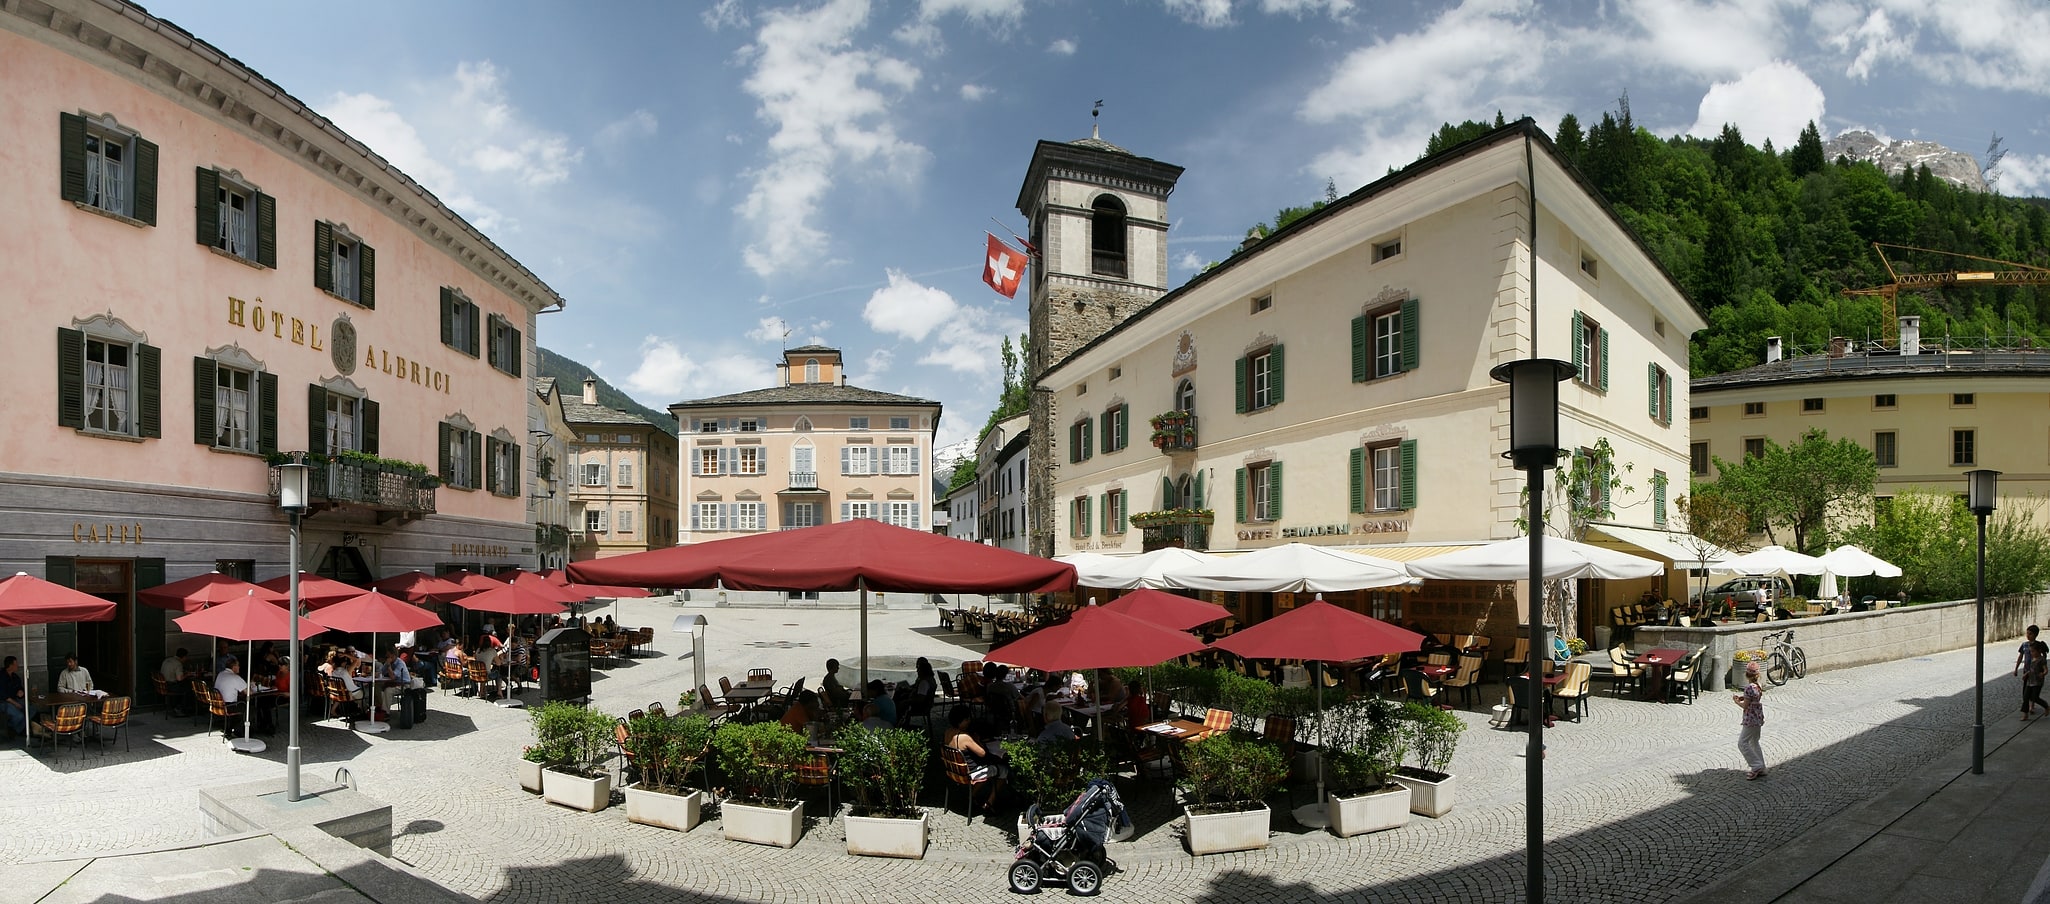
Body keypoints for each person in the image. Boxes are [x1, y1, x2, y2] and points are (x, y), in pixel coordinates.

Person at [944, 705, 1006, 811]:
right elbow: (982, 753)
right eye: (967, 719)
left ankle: (971, 796)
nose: (969, 721)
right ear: (961, 721)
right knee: (1003, 769)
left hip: (954, 771)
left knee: (990, 768)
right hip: (969, 773)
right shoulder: (965, 737)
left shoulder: (948, 732)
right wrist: (977, 740)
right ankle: (990, 802)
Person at [1733, 662, 1767, 780]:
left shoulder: (1748, 688)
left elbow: (1745, 706)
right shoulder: (1758, 685)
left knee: (1742, 743)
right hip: (1758, 717)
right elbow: (1754, 698)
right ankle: (1761, 766)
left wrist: (1737, 701)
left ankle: (1756, 766)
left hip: (1750, 718)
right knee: (1754, 741)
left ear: (1746, 675)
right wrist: (1744, 697)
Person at [2017, 625, 2049, 720]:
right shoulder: (2030, 654)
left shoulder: (2041, 659)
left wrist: (2043, 673)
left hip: (2037, 681)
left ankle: (2046, 706)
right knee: (2026, 696)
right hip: (2029, 680)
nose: (2031, 653)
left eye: (2033, 652)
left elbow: (2045, 669)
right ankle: (2025, 714)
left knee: (2035, 697)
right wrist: (2025, 674)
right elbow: (2030, 669)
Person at [1, 656, 25, 738]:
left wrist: (21, 691)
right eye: (16, 664)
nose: (18, 666)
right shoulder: (1, 677)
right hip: (4, 702)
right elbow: (3, 695)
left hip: (15, 699)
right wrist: (15, 704)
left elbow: (20, 687)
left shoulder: (15, 677)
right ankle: (9, 728)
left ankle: (15, 730)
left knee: (31, 709)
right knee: (19, 716)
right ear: (10, 665)